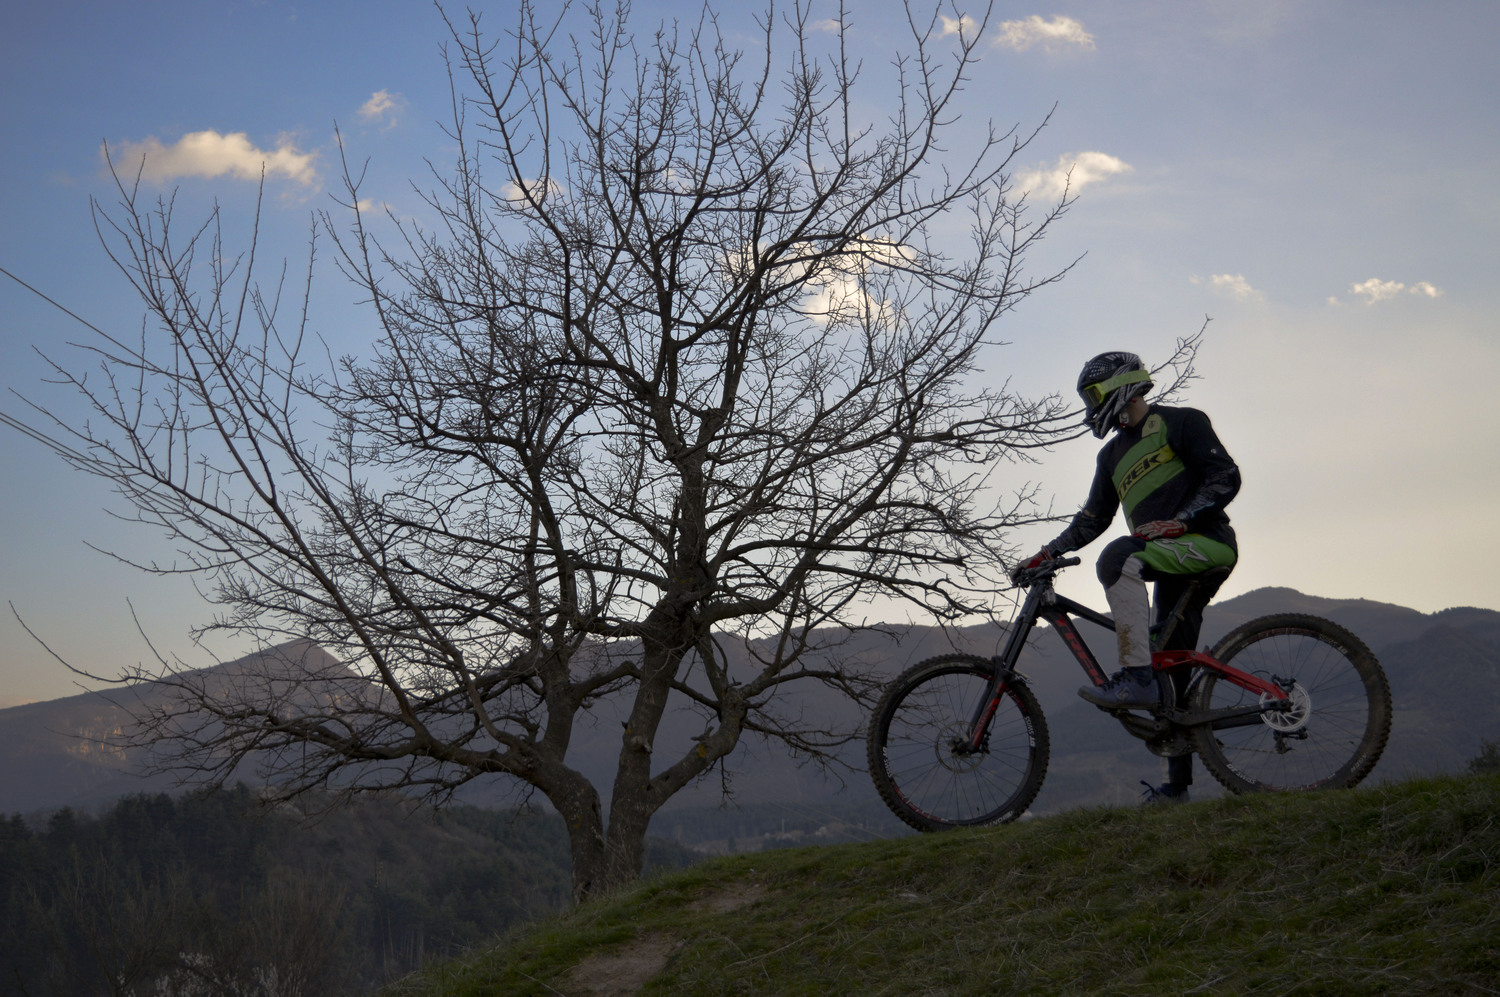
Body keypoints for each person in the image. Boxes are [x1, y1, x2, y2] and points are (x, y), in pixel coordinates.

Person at [1014, 351, 1241, 803]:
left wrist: (1181, 520)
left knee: (1118, 557)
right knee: (1169, 667)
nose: (1090, 404)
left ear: (1126, 383)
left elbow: (1225, 476)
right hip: (1167, 561)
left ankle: (1134, 676)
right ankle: (1175, 788)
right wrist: (1045, 553)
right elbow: (1092, 520)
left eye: (1093, 393)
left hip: (1206, 544)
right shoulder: (1111, 454)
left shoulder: (1182, 421)